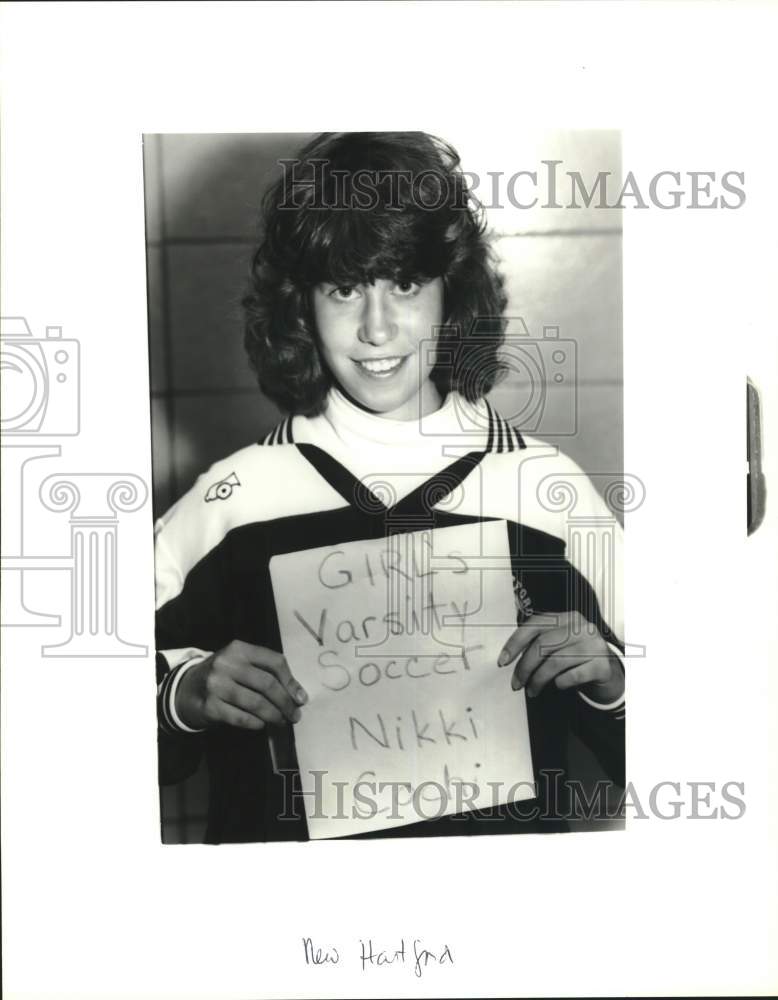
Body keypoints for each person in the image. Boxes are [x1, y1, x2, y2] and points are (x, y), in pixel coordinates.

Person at [155, 131, 625, 843]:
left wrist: (611, 681)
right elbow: (65, 734)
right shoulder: (234, 498)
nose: (377, 329)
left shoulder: (544, 489)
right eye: (343, 288)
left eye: (404, 283)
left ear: (451, 293)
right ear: (300, 307)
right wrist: (184, 693)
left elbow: (691, 753)